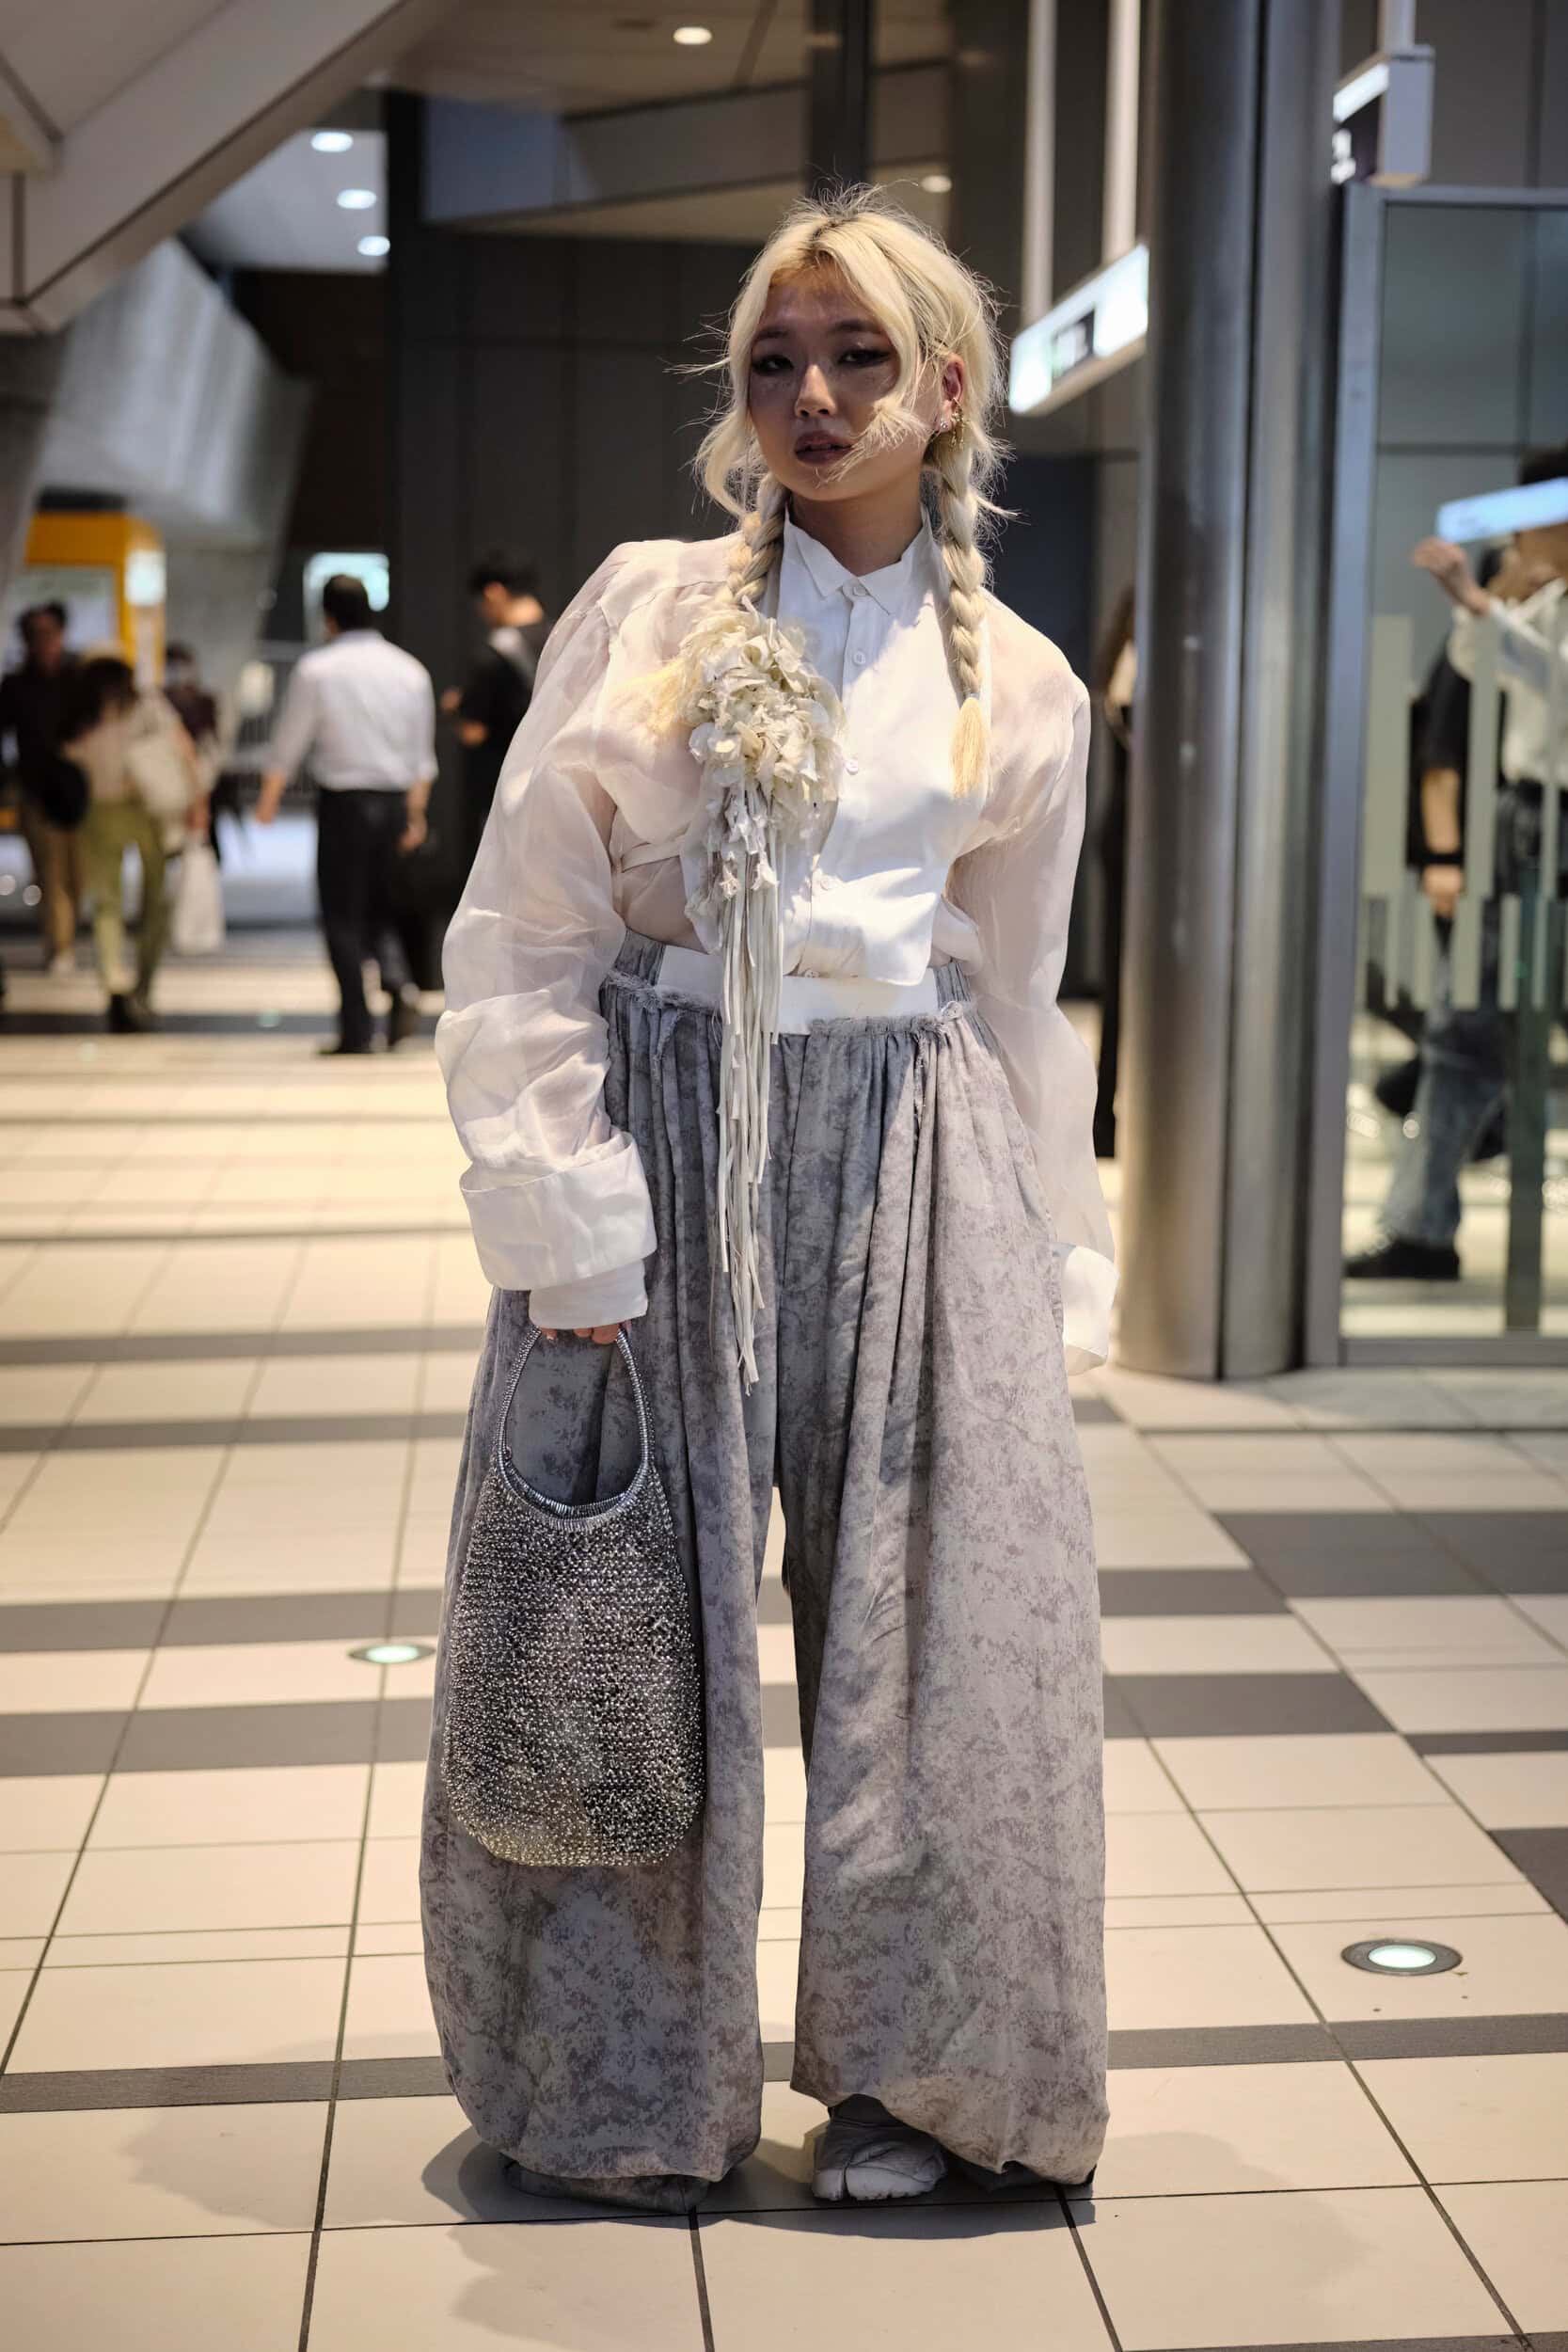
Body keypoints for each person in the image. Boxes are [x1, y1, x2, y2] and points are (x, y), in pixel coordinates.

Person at [424, 187, 1116, 2214]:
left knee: (945, 1639)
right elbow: (527, 926)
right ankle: (619, 2085)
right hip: (660, 1134)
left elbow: (1014, 991)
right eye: (774, 361)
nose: (810, 396)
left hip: (915, 1152)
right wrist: (564, 1214)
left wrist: (1045, 1256)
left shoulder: (1026, 685)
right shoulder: (646, 609)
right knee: (624, 1622)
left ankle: (930, 2078)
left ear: (945, 388)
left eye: (857, 357)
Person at [1348, 441, 1568, 1281]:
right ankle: (1419, 1227)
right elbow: (1482, 667)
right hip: (1525, 821)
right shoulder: (1541, 600)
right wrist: (1480, 606)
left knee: (1468, 1027)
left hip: (1546, 822)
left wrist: (1483, 606)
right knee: (1461, 1025)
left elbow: (1549, 682)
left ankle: (1421, 1225)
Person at [256, 575, 436, 1056]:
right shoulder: (409, 670)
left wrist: (269, 797)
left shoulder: (317, 668)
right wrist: (416, 814)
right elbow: (422, 756)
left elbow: (290, 739)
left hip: (344, 803)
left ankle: (357, 1029)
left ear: (328, 617)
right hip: (394, 801)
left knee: (341, 914)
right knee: (381, 905)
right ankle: (398, 982)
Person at [60, 651, 202, 1033]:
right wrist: (196, 799)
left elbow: (70, 756)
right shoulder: (142, 704)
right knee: (151, 901)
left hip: (110, 809)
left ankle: (116, 981)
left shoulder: (84, 712)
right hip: (143, 809)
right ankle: (138, 985)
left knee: (109, 901)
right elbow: (183, 747)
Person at [447, 552, 551, 873]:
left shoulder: (495, 652)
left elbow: (473, 732)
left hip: (505, 785)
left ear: (494, 593)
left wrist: (455, 709)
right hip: (555, 783)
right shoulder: (564, 637)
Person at [0, 602, 81, 975]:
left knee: (77, 875)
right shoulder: (16, 685)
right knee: (49, 872)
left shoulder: (78, 678)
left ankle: (66, 938)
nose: (44, 640)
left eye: (50, 631)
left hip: (79, 792)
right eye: (36, 633)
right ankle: (59, 945)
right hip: (36, 791)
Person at [1089, 583, 1135, 1158]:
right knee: (1122, 988)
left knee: (1121, 988)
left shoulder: (1121, 663)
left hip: (1127, 833)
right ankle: (1105, 1116)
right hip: (1140, 841)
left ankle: (1107, 1116)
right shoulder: (1141, 668)